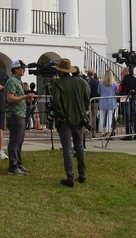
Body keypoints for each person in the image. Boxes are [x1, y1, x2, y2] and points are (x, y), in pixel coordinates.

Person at [50, 58, 90, 187]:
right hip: (79, 119)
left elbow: (56, 102)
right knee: (79, 146)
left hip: (65, 120)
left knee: (67, 148)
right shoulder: (81, 81)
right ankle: (82, 174)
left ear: (60, 71)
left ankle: (70, 177)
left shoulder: (58, 83)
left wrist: (61, 115)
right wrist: (82, 113)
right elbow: (87, 100)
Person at [5, 60, 36, 176]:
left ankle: (18, 163)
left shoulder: (18, 81)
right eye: (22, 68)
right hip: (15, 114)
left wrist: (26, 98)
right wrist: (25, 97)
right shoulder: (12, 81)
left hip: (20, 114)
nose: (24, 70)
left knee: (19, 140)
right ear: (15, 69)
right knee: (15, 141)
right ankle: (13, 166)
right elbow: (10, 98)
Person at [119, 67, 136, 140]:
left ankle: (129, 134)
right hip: (134, 99)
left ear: (127, 71)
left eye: (123, 71)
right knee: (134, 116)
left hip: (127, 100)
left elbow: (123, 91)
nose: (122, 73)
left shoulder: (125, 80)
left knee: (127, 116)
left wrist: (120, 95)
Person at [97, 70, 118, 135]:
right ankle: (108, 130)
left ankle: (100, 130)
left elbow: (98, 91)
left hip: (103, 100)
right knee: (110, 116)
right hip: (111, 100)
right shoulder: (114, 83)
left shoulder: (101, 83)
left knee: (101, 116)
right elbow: (116, 92)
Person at [87, 69, 100, 135]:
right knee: (94, 117)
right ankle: (93, 132)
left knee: (89, 116)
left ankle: (88, 130)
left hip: (88, 101)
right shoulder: (97, 82)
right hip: (95, 101)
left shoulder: (87, 82)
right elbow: (99, 92)